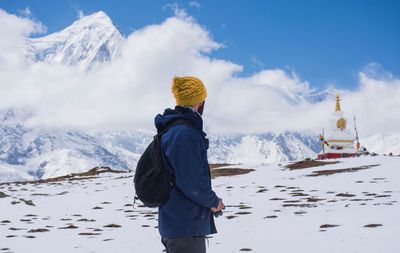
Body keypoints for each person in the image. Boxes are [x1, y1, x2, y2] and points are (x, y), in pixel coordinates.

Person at [154, 76, 225, 253]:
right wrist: (213, 201)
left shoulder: (173, 129)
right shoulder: (185, 134)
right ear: (199, 102)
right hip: (185, 224)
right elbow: (191, 181)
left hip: (176, 222)